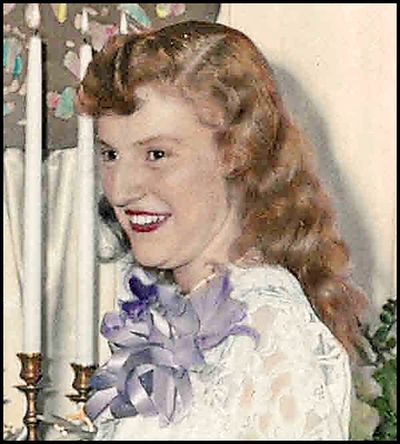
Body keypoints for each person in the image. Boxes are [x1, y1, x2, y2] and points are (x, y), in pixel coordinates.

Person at [76, 20, 368, 440]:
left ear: (236, 151)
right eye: (110, 154)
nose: (120, 190)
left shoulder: (271, 331)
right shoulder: (189, 310)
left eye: (156, 154)